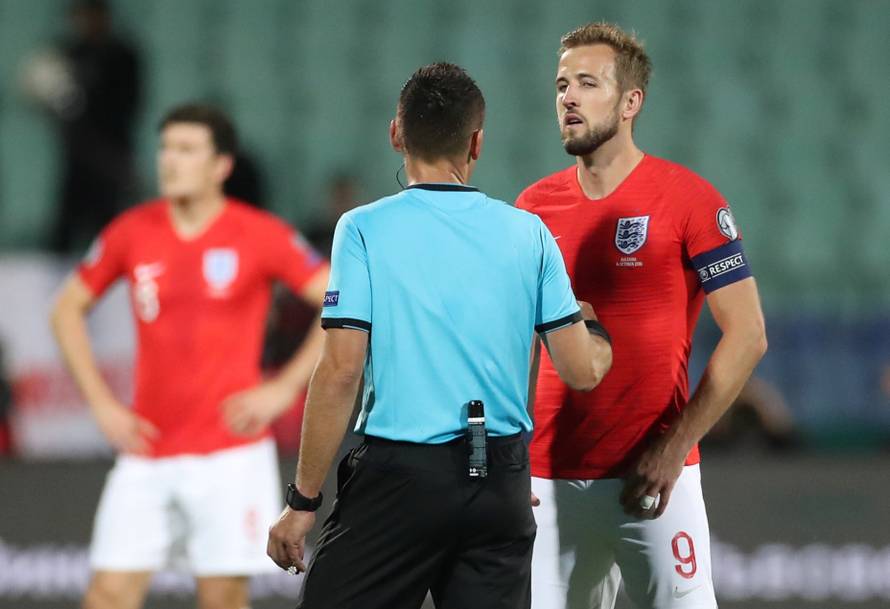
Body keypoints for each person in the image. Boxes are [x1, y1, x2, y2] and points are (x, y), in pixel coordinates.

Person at [266, 62, 613, 609]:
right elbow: (582, 370)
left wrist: (302, 500)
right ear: (477, 142)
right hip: (500, 478)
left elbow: (339, 371)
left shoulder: (363, 228)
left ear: (396, 134)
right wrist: (592, 324)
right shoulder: (529, 233)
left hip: (400, 479)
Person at [516, 23, 768, 609]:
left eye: (586, 83)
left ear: (631, 102)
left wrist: (676, 446)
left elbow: (748, 334)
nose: (568, 98)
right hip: (549, 485)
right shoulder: (533, 207)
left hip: (654, 479)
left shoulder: (689, 200)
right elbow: (516, 342)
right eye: (560, 85)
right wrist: (511, 456)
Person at [49, 103, 329, 609]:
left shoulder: (259, 233)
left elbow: (339, 301)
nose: (169, 160)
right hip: (146, 451)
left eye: (185, 149)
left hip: (229, 452)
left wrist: (284, 387)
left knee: (222, 598)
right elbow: (66, 310)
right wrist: (102, 404)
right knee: (107, 595)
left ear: (220, 165)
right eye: (164, 148)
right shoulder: (131, 231)